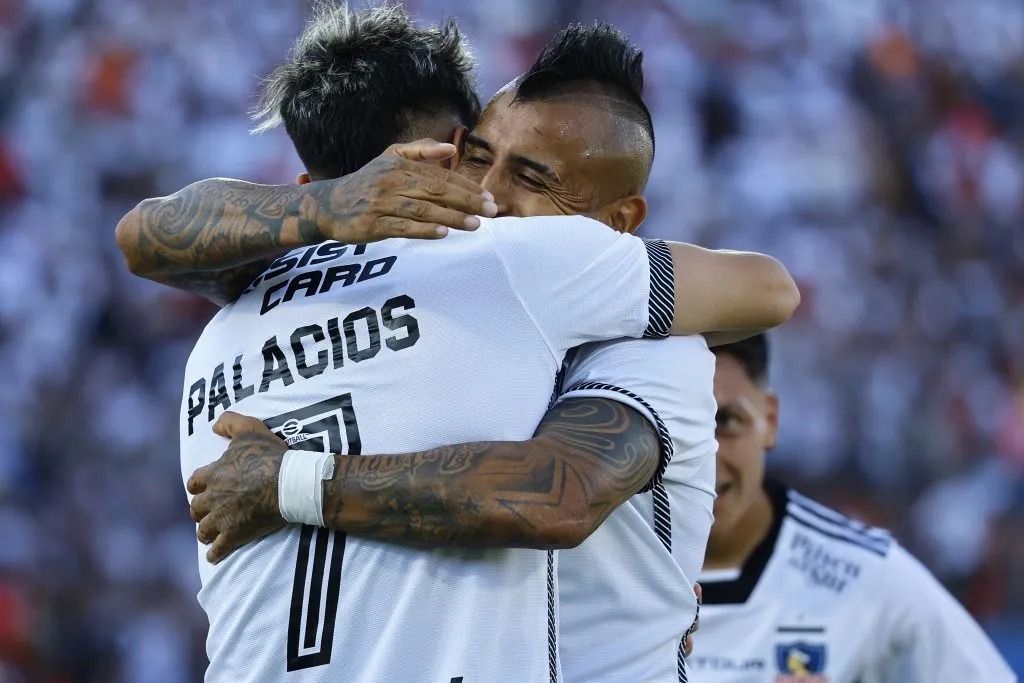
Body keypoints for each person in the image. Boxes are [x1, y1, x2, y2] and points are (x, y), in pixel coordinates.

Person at [115, 7, 798, 682]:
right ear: (434, 155)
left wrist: (288, 479)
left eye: (530, 177)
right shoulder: (505, 264)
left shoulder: (222, 327)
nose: (490, 195)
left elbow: (143, 234)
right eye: (475, 158)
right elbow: (768, 290)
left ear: (619, 223)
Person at [689, 333, 1016, 683]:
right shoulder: (622, 582)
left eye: (726, 422)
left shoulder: (868, 578)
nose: (703, 456)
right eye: (682, 426)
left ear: (770, 420)